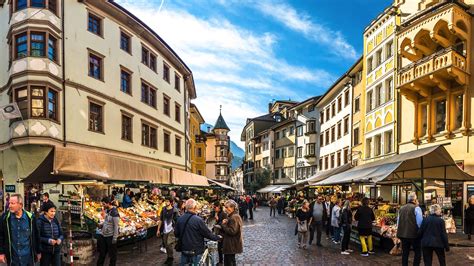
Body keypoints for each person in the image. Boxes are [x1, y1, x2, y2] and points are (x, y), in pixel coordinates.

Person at [175, 199, 221, 266]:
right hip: (196, 250)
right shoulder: (198, 220)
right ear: (195, 207)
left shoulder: (180, 218)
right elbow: (207, 234)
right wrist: (217, 237)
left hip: (184, 248)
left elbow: (176, 233)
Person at [0, 194, 41, 265]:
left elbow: (36, 235)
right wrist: (1, 253)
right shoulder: (5, 218)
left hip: (28, 258)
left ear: (20, 205)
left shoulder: (30, 218)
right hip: (13, 259)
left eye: (12, 203)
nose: (9, 205)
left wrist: (38, 252)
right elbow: (1, 236)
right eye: (9, 203)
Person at [397, 192, 423, 266]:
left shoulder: (401, 208)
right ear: (415, 200)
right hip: (414, 235)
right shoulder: (417, 208)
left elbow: (398, 222)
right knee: (417, 252)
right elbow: (419, 223)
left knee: (405, 252)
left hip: (403, 234)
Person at [37, 202, 63, 266]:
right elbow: (37, 237)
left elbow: (61, 234)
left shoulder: (55, 220)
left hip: (56, 250)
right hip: (45, 251)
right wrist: (48, 241)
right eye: (51, 211)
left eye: (54, 211)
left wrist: (60, 239)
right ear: (46, 212)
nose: (53, 213)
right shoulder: (40, 222)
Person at [220, 200, 243, 266]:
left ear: (232, 208)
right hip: (230, 244)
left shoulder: (234, 217)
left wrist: (223, 225)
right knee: (230, 261)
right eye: (225, 207)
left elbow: (232, 231)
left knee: (230, 262)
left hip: (231, 244)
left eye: (227, 207)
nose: (225, 209)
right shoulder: (232, 216)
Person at [97, 197, 119, 266]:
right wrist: (101, 225)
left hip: (110, 237)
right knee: (102, 254)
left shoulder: (115, 213)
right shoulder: (107, 211)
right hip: (104, 235)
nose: (103, 206)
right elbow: (106, 222)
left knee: (112, 255)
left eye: (104, 204)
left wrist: (115, 238)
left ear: (108, 203)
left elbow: (116, 226)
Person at [157, 197, 179, 265]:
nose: (166, 202)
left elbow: (177, 221)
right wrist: (158, 229)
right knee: (166, 244)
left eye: (167, 201)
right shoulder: (163, 209)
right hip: (164, 230)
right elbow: (160, 220)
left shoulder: (175, 210)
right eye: (165, 201)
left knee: (169, 244)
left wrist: (176, 230)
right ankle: (168, 257)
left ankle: (171, 258)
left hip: (171, 230)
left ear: (170, 202)